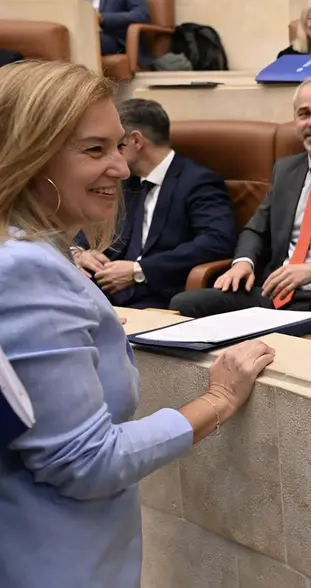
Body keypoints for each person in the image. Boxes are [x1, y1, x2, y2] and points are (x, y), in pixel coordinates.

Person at [0, 60, 274, 588]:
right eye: (94, 149)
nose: (122, 169)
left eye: (119, 147)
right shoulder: (26, 270)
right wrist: (217, 400)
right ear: (30, 155)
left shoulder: (34, 254)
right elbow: (87, 462)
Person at [170, 78, 311, 317]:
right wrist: (243, 262)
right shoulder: (285, 170)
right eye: (304, 114)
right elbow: (256, 230)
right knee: (185, 304)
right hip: (272, 293)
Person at [71, 98, 235, 309]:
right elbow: (91, 223)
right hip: (103, 291)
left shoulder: (197, 181)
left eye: (118, 145)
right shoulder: (124, 180)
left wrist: (139, 270)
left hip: (159, 294)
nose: (111, 156)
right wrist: (79, 252)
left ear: (136, 141)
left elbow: (217, 241)